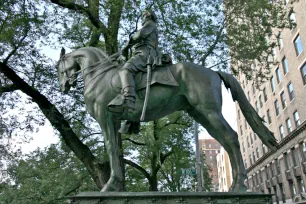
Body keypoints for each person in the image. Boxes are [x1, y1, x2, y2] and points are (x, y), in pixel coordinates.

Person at [108, 10, 159, 113]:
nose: (142, 18)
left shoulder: (150, 24)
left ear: (148, 16)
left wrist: (126, 46)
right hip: (143, 52)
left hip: (145, 53)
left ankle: (129, 100)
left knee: (125, 70)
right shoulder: (151, 26)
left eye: (143, 16)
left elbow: (139, 35)